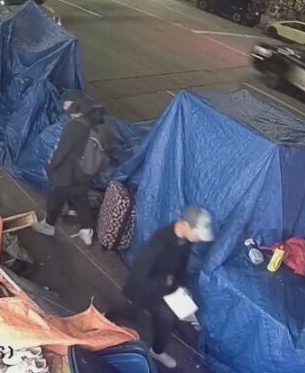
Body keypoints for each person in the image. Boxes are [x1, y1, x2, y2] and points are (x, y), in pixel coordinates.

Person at [117, 206, 215, 369]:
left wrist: (181, 286)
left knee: (166, 319)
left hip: (166, 287)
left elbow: (182, 265)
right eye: (197, 233)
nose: (198, 238)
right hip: (144, 288)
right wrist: (164, 280)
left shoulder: (185, 241)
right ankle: (111, 319)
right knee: (136, 312)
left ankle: (157, 350)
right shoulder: (160, 241)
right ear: (184, 224)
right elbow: (140, 272)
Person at [32, 91, 104, 245]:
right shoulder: (90, 121)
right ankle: (87, 231)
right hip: (84, 172)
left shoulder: (74, 127)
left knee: (55, 199)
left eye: (66, 103)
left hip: (68, 174)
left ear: (74, 104)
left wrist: (51, 168)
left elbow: (62, 151)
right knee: (81, 199)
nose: (64, 106)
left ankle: (49, 225)